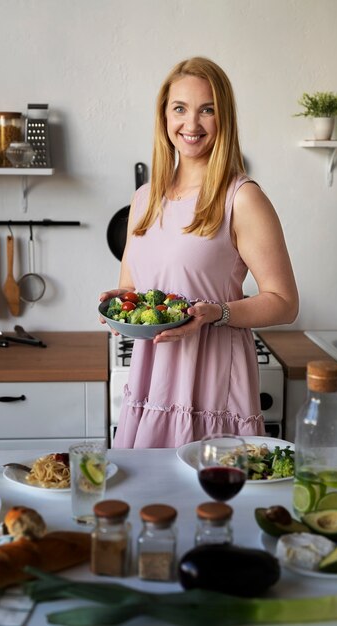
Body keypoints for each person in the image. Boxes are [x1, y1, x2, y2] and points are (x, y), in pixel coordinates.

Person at [100, 56, 298, 449]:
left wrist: (217, 312)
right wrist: (121, 303)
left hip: (211, 384)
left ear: (223, 118)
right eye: (180, 109)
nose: (191, 125)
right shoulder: (144, 199)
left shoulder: (242, 198)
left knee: (213, 503)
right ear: (164, 116)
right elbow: (132, 288)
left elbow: (284, 303)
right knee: (148, 505)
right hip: (150, 382)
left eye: (207, 110)